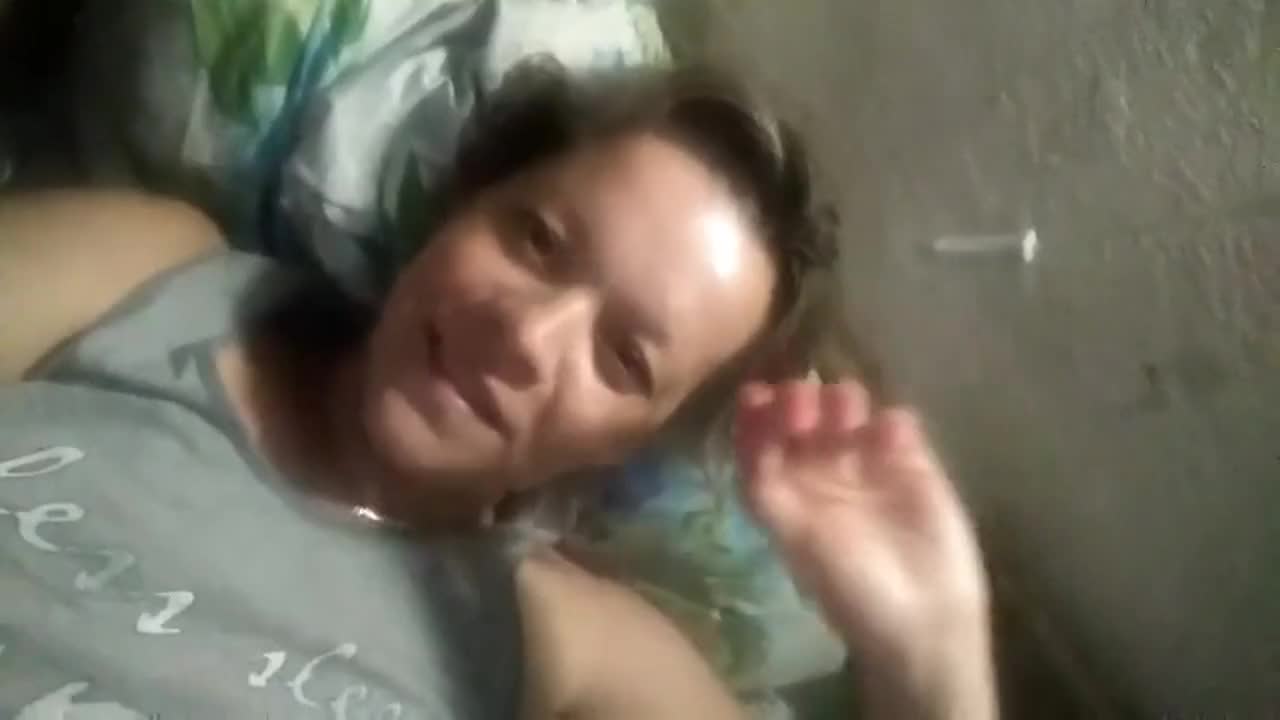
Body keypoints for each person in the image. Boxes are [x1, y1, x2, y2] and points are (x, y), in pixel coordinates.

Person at [0, 64, 995, 718]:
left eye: (623, 359)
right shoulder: (150, 272)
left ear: (627, 445)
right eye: (537, 239)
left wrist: (930, 654)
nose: (523, 334)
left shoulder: (574, 644)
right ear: (462, 203)